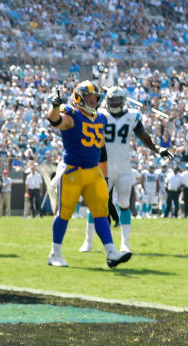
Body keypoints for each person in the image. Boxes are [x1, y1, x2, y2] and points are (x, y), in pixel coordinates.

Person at [46, 81, 131, 269]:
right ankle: (55, 254)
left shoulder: (101, 118)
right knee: (65, 213)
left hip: (93, 172)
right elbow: (55, 120)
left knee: (101, 212)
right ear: (79, 97)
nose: (92, 100)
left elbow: (101, 149)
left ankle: (111, 253)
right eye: (89, 97)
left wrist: (105, 174)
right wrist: (54, 107)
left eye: (95, 98)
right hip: (73, 171)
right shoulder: (71, 114)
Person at [78, 86, 171, 253]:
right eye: (111, 100)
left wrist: (157, 149)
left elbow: (143, 136)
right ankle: (88, 241)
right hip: (103, 166)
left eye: (117, 100)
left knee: (124, 204)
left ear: (124, 101)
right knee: (96, 203)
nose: (114, 103)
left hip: (123, 166)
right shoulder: (100, 114)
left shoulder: (132, 116)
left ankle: (125, 244)